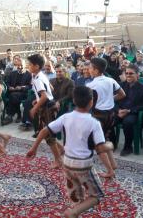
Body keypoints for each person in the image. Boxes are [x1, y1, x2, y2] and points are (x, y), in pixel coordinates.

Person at [26, 86, 114, 218]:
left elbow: (45, 131)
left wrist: (34, 148)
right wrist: (110, 146)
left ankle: (74, 211)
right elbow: (100, 149)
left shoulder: (66, 117)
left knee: (75, 195)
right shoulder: (94, 123)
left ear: (74, 100)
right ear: (92, 102)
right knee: (96, 196)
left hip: (67, 163)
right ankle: (73, 212)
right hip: (83, 165)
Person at [87, 57, 125, 169]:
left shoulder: (90, 85)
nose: (88, 69)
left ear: (96, 70)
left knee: (98, 144)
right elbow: (122, 94)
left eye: (90, 68)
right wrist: (109, 99)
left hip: (98, 118)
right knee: (103, 140)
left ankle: (109, 170)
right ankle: (113, 164)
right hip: (111, 116)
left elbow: (87, 104)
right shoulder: (111, 80)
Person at [27, 53, 63, 168]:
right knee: (47, 131)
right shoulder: (38, 75)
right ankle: (62, 150)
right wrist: (37, 100)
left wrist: (35, 108)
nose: (28, 66)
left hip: (47, 107)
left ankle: (58, 160)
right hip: (46, 105)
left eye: (30, 64)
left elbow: (45, 96)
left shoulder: (38, 78)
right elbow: (50, 89)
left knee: (49, 136)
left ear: (36, 66)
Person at [116, 65, 143, 156]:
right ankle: (112, 142)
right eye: (126, 73)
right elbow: (113, 100)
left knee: (128, 122)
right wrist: (118, 110)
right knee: (108, 117)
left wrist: (129, 111)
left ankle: (128, 147)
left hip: (134, 113)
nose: (128, 75)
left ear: (137, 75)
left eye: (131, 73)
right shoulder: (121, 85)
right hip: (120, 111)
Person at [2, 57, 32, 125]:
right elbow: (7, 83)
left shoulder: (29, 74)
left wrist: (21, 87)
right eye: (18, 65)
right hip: (12, 92)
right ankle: (18, 114)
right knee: (12, 96)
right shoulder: (13, 73)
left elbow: (30, 86)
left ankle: (10, 115)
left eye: (22, 65)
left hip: (23, 93)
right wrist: (9, 87)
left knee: (13, 96)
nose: (20, 67)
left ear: (25, 66)